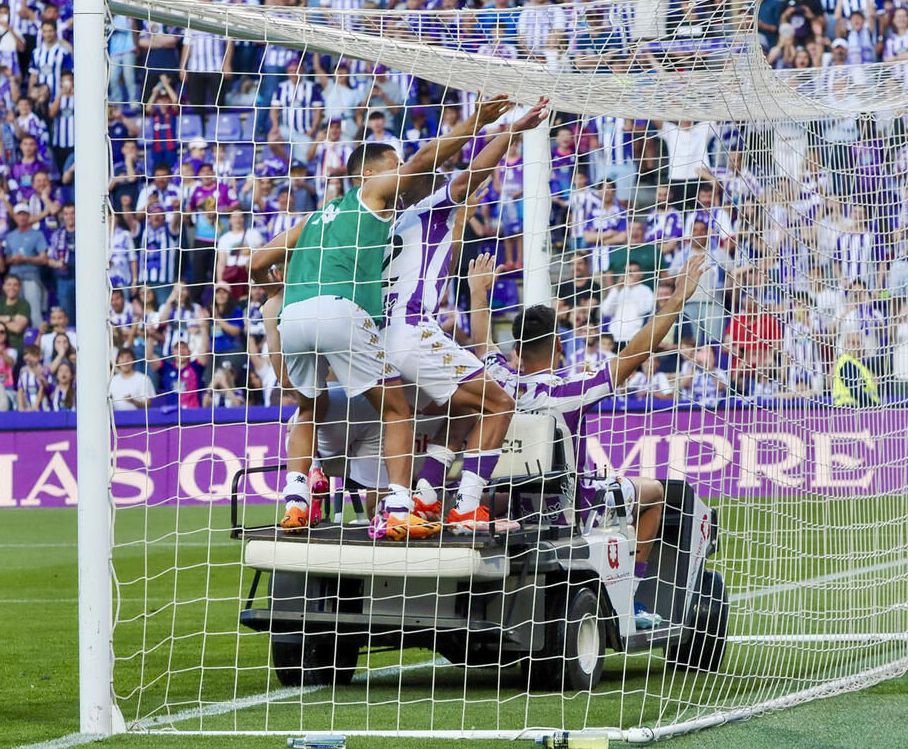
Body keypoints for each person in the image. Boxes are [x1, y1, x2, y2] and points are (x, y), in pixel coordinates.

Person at [249, 94, 517, 539]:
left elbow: (256, 262)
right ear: (370, 173)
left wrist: (283, 286)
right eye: (394, 163)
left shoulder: (316, 219)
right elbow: (449, 169)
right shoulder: (381, 202)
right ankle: (406, 506)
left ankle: (298, 499)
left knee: (309, 409)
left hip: (294, 316)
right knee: (420, 410)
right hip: (377, 323)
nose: (403, 169)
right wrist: (499, 128)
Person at [467, 251, 710, 630]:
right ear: (559, 347)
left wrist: (477, 294)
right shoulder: (571, 390)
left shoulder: (495, 380)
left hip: (508, 500)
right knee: (656, 494)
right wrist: (677, 299)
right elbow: (636, 353)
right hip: (570, 508)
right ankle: (631, 598)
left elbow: (482, 343)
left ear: (516, 349)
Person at [380, 98, 548, 535]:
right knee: (501, 403)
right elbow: (473, 175)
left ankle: (425, 495)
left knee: (463, 411)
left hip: (382, 342)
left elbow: (436, 258)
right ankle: (467, 507)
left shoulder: (380, 226)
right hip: (414, 331)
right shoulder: (424, 209)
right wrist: (511, 131)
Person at [1, 202, 49, 327]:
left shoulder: (37, 234)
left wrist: (25, 259)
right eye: (19, 215)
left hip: (30, 277)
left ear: (29, 216)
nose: (22, 218)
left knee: (33, 312)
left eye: (24, 214)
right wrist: (13, 260)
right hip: (13, 278)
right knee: (13, 312)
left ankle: (37, 341)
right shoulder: (10, 236)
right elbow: (6, 259)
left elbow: (44, 259)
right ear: (15, 217)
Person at [0, 274, 30, 353]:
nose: (12, 288)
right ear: (4, 287)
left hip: (14, 345)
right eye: (9, 284)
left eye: (15, 285)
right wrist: (10, 318)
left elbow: (17, 328)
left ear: (20, 288)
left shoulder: (24, 304)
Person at [109, 346, 156, 410]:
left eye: (128, 358)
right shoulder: (112, 380)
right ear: (117, 361)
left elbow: (147, 404)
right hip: (115, 418)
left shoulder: (143, 379)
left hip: (137, 418)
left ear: (134, 360)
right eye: (122, 358)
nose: (125, 361)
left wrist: (133, 401)